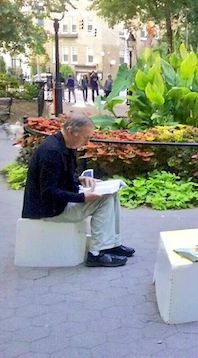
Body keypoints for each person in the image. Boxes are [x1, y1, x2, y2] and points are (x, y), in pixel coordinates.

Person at [22, 113, 135, 267]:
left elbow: (60, 176)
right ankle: (97, 253)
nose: (86, 142)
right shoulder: (52, 152)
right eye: (84, 137)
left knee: (111, 194)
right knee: (104, 199)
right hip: (48, 210)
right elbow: (48, 191)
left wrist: (79, 179)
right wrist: (83, 198)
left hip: (56, 205)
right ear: (70, 131)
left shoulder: (64, 145)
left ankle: (111, 244)